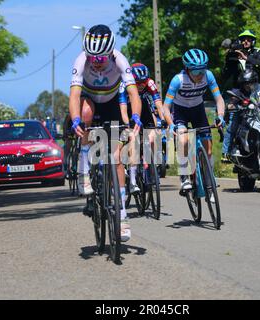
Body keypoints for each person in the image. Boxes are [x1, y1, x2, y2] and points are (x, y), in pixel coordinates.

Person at [69, 24, 142, 242]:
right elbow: (74, 96)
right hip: (89, 101)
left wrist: (136, 116)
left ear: (110, 53)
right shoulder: (81, 61)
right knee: (85, 112)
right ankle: (84, 167)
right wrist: (75, 120)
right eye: (92, 58)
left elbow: (133, 94)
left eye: (101, 59)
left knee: (117, 158)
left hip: (111, 105)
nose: (96, 63)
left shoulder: (120, 59)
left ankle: (122, 215)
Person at [162, 49, 225, 195]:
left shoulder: (208, 76)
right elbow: (166, 107)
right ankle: (184, 177)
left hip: (198, 110)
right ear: (187, 69)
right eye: (196, 72)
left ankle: (209, 176)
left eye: (202, 71)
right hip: (180, 112)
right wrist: (171, 125)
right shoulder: (178, 80)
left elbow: (219, 99)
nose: (200, 75)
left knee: (208, 149)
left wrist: (220, 116)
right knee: (183, 141)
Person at [119, 62, 166, 194]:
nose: (141, 85)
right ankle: (133, 180)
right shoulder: (124, 85)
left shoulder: (150, 83)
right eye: (138, 82)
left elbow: (158, 103)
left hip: (144, 110)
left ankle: (150, 165)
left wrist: (162, 119)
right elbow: (122, 110)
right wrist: (128, 124)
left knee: (153, 137)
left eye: (143, 82)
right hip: (127, 112)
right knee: (133, 139)